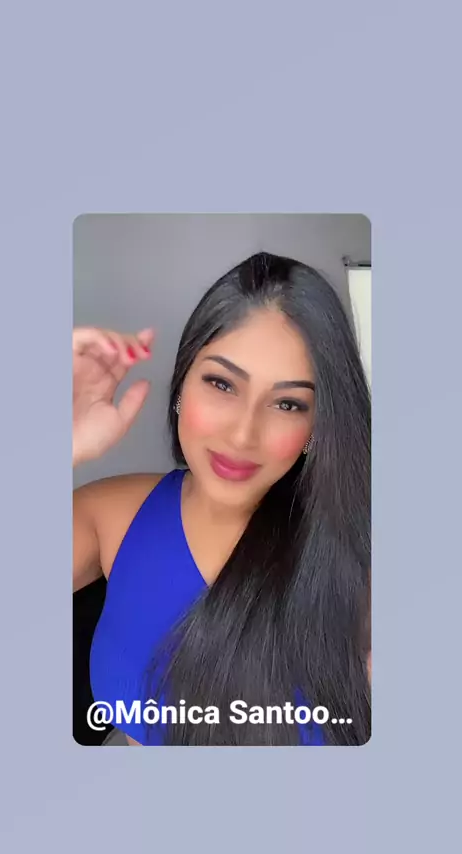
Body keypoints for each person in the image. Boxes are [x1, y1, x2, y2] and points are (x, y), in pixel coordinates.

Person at [73, 251, 371, 746]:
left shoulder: (359, 563)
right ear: (181, 386)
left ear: (318, 426)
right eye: (222, 383)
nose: (242, 434)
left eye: (287, 403)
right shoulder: (112, 515)